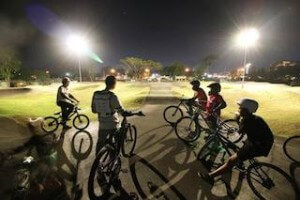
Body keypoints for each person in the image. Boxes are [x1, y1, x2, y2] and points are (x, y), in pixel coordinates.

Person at [201, 98, 274, 185]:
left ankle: (210, 176)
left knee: (231, 161)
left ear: (246, 110)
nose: (238, 110)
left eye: (241, 108)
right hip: (264, 142)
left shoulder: (246, 121)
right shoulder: (256, 118)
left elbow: (239, 133)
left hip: (257, 146)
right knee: (239, 147)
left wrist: (237, 118)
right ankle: (240, 161)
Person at [91, 75, 125, 155]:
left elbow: (94, 110)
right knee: (118, 139)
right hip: (113, 123)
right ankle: (115, 159)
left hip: (102, 123)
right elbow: (121, 110)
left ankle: (97, 163)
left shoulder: (96, 94)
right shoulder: (112, 96)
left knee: (100, 143)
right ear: (114, 84)